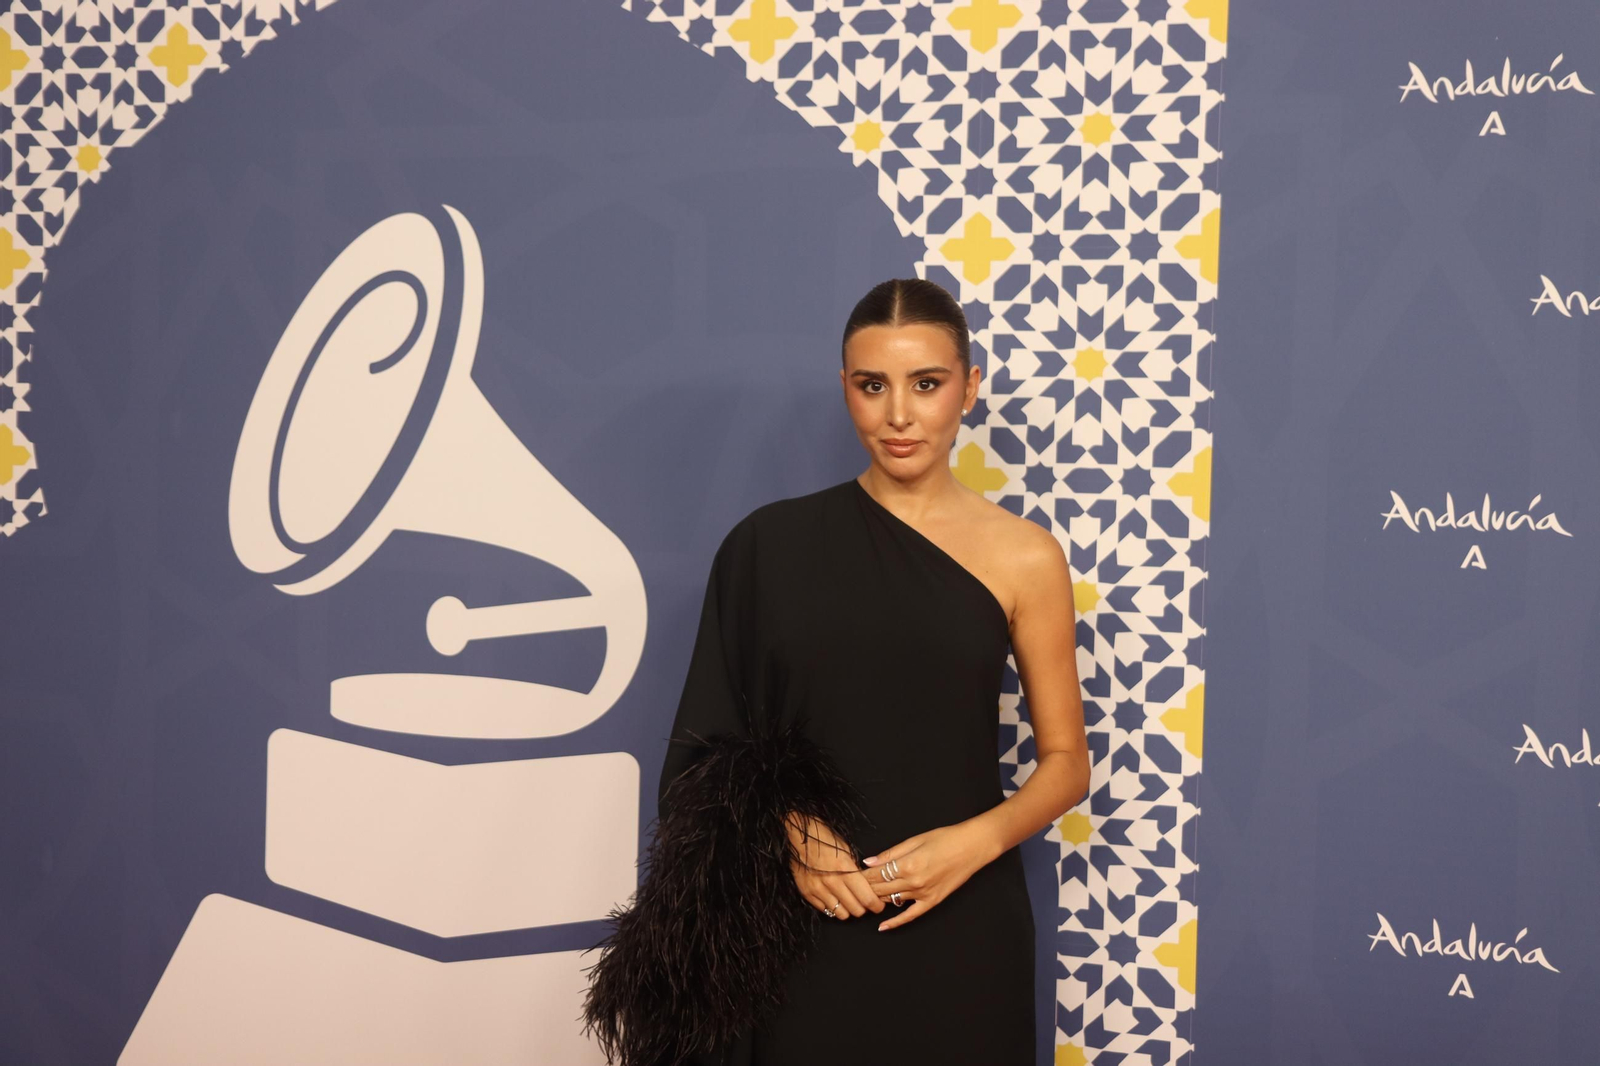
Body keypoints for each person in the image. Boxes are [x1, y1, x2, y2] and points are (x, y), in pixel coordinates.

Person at [581, 278, 1090, 1066]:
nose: (898, 414)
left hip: (964, 920)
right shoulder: (766, 546)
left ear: (970, 386)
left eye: (927, 384)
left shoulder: (1025, 555)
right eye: (871, 385)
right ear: (845, 388)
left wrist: (971, 846)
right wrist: (795, 834)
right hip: (797, 921)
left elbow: (1065, 764)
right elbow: (711, 738)